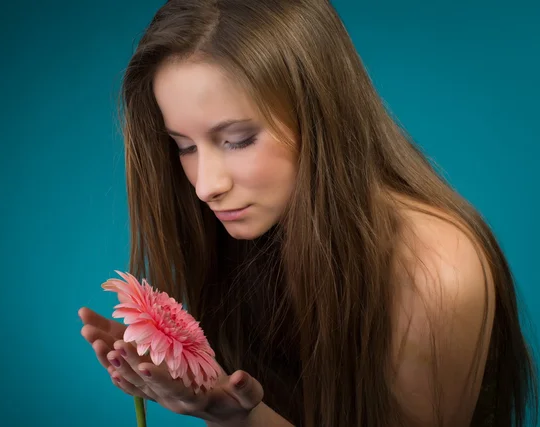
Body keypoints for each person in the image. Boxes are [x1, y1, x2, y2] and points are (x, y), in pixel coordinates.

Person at [78, 1, 538, 426]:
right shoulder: (258, 233)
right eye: (184, 146)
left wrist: (238, 415)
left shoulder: (437, 270)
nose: (205, 186)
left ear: (320, 117)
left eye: (237, 140)